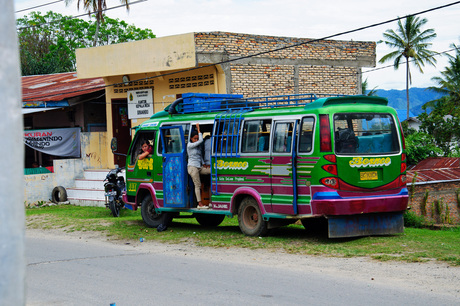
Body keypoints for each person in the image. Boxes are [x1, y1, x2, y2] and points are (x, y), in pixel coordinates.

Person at [187, 123, 210, 209]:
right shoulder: (190, 145)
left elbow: (200, 156)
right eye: (195, 138)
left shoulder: (198, 146)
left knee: (211, 171)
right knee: (198, 184)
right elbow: (201, 141)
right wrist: (199, 130)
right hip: (192, 167)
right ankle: (199, 203)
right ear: (191, 139)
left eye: (197, 138)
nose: (196, 140)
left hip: (199, 167)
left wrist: (204, 164)